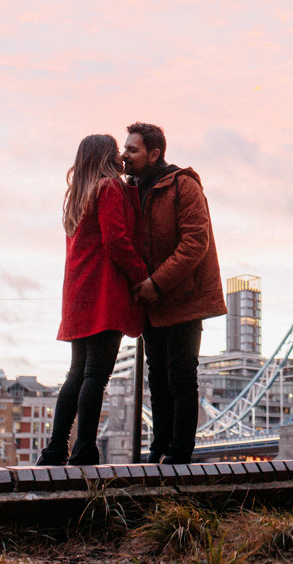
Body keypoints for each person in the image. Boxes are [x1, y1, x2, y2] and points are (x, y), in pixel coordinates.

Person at [37, 134, 148, 466]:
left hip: (77, 294)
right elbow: (116, 239)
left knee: (76, 373)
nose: (119, 154)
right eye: (114, 149)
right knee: (96, 376)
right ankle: (84, 447)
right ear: (104, 156)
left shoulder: (76, 197)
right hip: (104, 291)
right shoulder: (108, 188)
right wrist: (141, 275)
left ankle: (55, 448)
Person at [123, 122, 226, 464]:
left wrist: (157, 282)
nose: (125, 155)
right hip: (152, 302)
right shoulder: (130, 190)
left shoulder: (184, 185)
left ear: (154, 154)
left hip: (183, 298)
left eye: (132, 150)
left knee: (181, 376)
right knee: (157, 378)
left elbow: (196, 241)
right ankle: (158, 449)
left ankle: (180, 453)